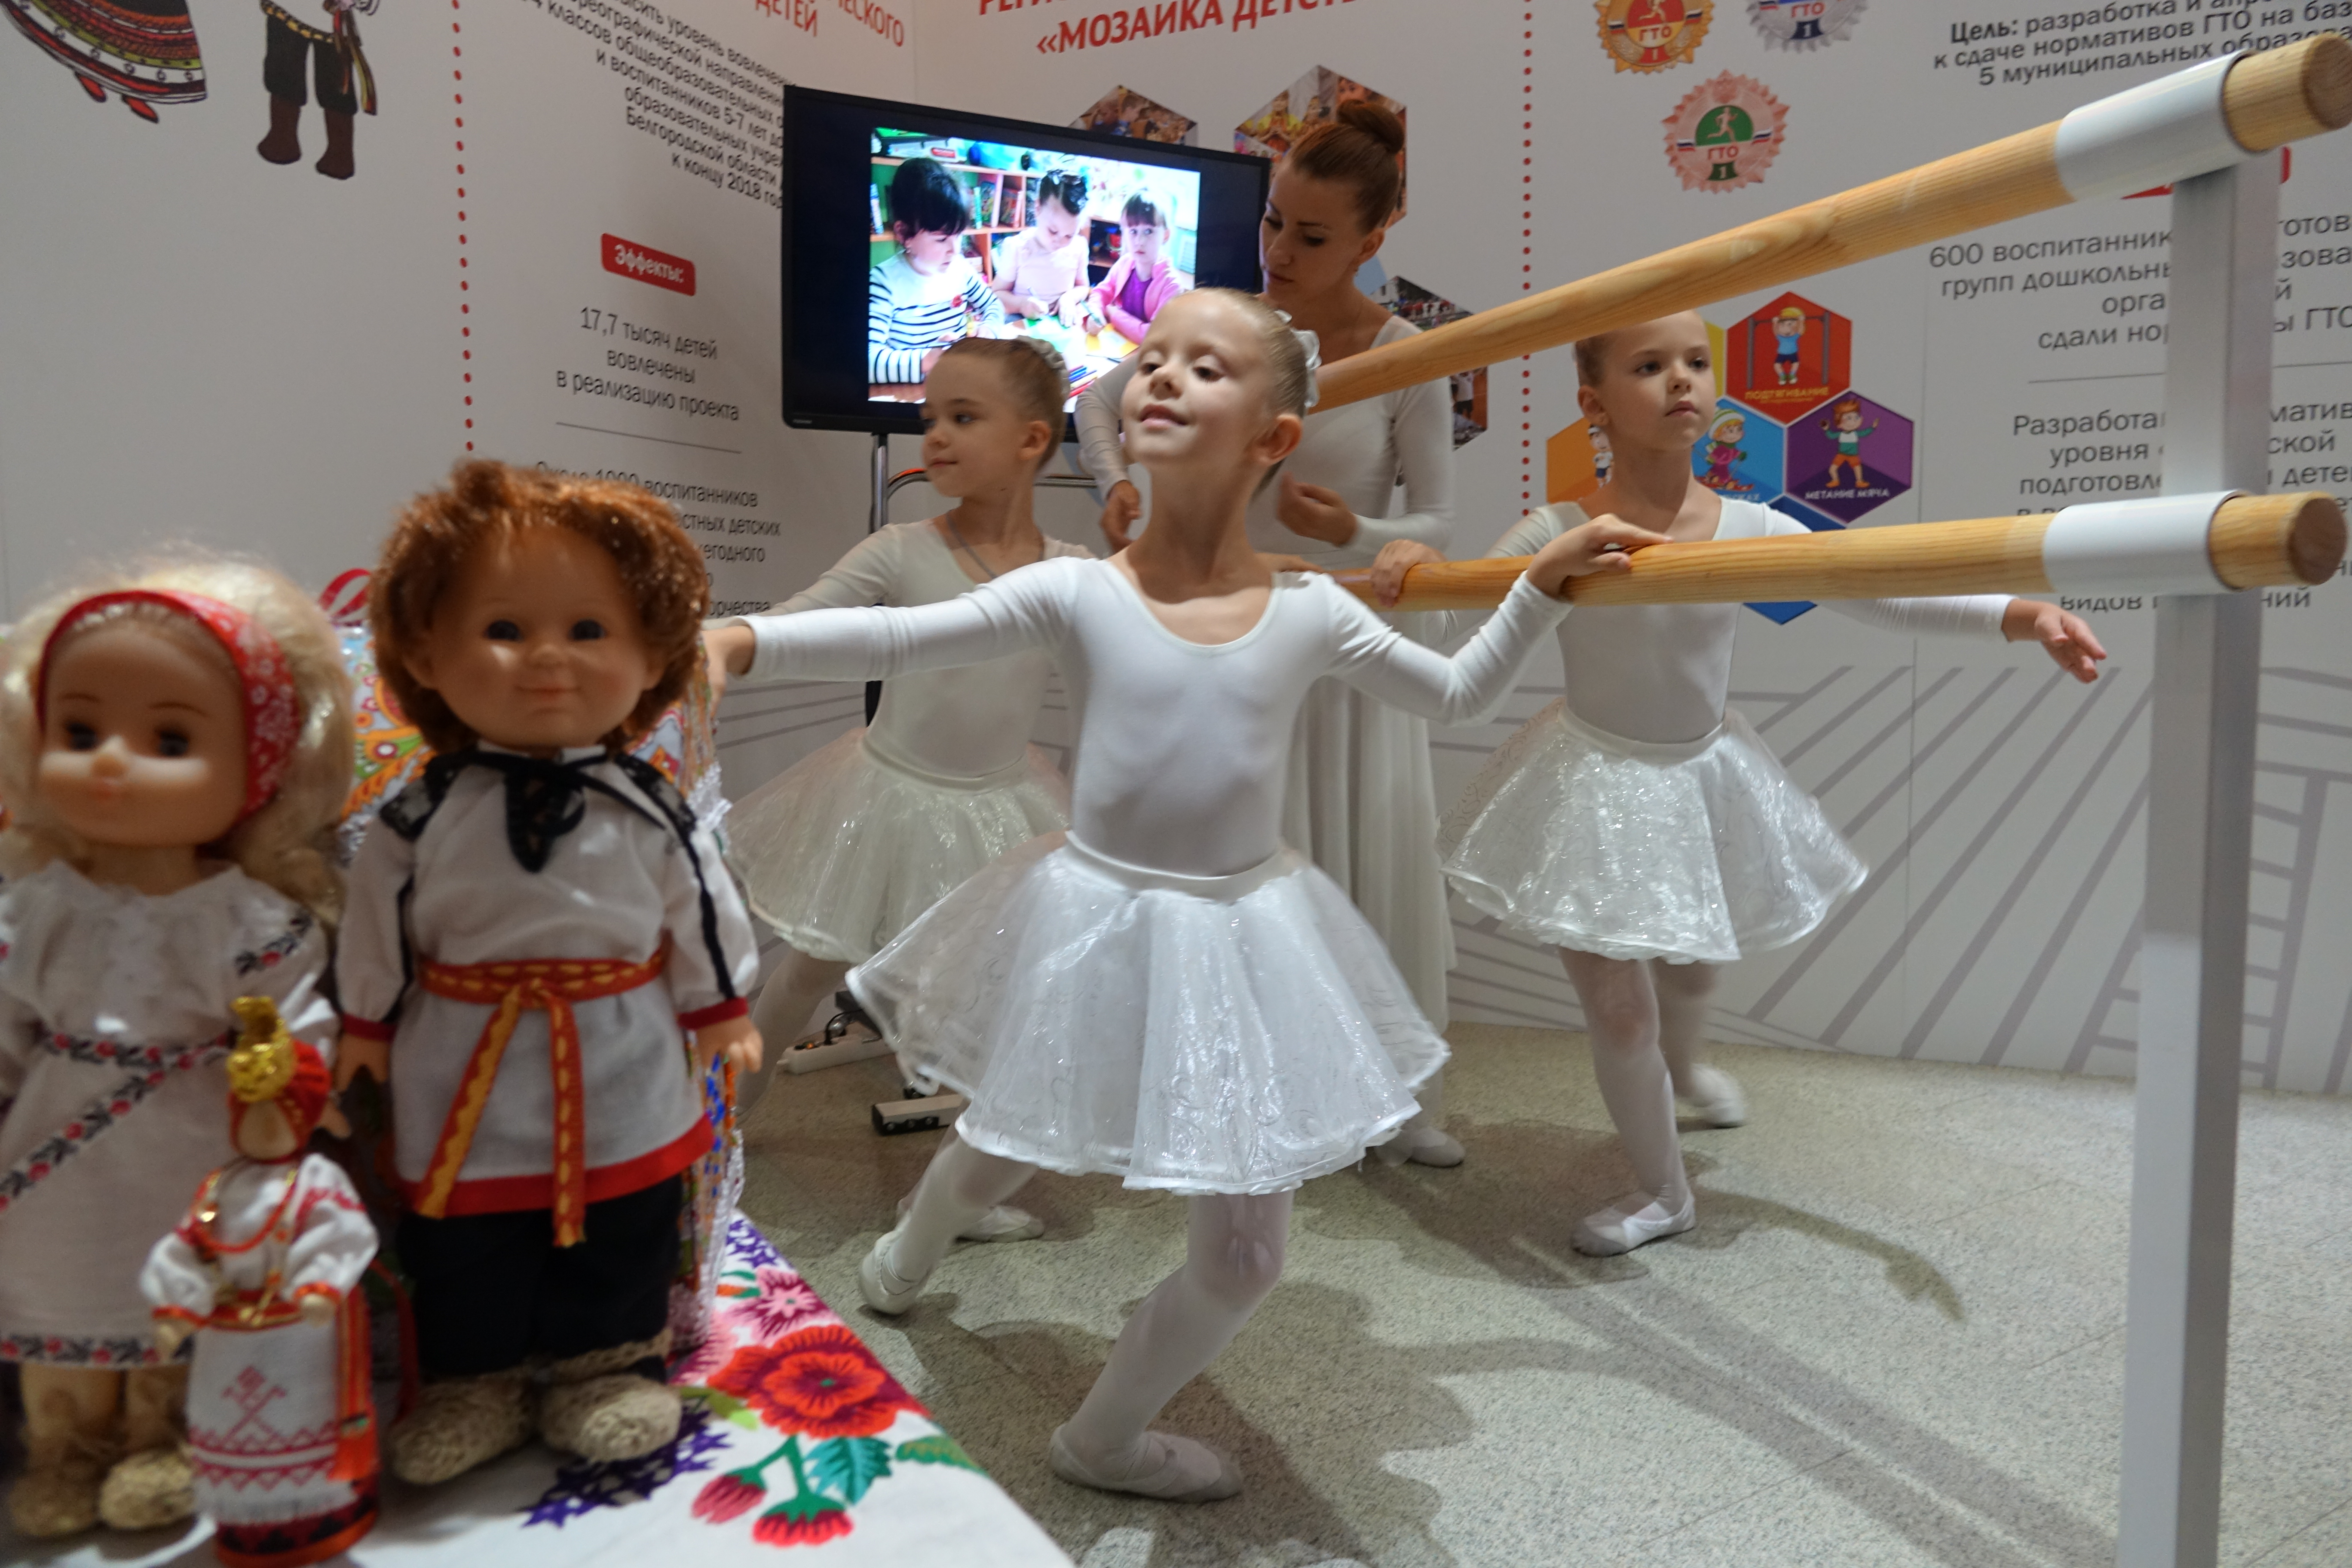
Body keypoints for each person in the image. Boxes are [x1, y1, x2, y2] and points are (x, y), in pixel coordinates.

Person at [704, 288, 1666, 1503]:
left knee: (1248, 1255)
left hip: (1246, 938)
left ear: (1274, 436)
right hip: (1090, 910)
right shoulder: (1077, 591)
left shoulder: (1310, 612)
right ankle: (908, 1251)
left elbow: (1458, 693)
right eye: (1153, 357)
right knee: (1015, 1125)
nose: (1161, 376)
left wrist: (1538, 582)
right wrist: (738, 641)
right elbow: (899, 638)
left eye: (1204, 368)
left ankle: (1101, 1437)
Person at [1371, 313, 2107, 1255]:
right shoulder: (1556, 530)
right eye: (1649, 365)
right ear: (1594, 403)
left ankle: (1682, 1071)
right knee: (1618, 1008)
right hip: (1592, 784)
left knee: (1692, 968)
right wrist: (1411, 566)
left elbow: (1873, 588)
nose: (1681, 379)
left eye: (1695, 361)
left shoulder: (1753, 525)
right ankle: (1663, 1191)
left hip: (1704, 773)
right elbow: (1457, 621)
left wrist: (2021, 615)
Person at [336, 462, 763, 1484]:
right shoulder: (420, 815)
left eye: (588, 630)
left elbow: (701, 907)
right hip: (460, 1057)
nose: (546, 659)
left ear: (652, 656)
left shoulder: (648, 807)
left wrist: (720, 1005)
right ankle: (473, 1381)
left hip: (621, 1051)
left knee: (623, 1222)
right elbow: (375, 924)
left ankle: (606, 1367)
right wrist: (365, 1025)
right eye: (502, 628)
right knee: (462, 1231)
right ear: (425, 652)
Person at [1077, 102, 1469, 1166]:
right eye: (1274, 223)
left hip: (1338, 644)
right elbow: (1099, 404)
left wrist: (1357, 532)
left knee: (1362, 852)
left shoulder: (1408, 356)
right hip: (1227, 645)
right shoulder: (1233, 330)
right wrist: (1116, 487)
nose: (1280, 250)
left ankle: (1398, 1096)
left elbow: (1439, 520)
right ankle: (1238, 1092)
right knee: (1232, 867)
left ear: (1374, 238)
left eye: (1312, 235)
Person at [0, 559, 351, 1538]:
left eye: (169, 740)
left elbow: (294, 1024)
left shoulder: (249, 920)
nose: (111, 762)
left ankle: (164, 1442)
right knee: (58, 1286)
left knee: (186, 1285)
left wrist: (286, 1088)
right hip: (59, 1144)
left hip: (193, 1140)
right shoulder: (35, 910)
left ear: (262, 769)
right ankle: (65, 1450)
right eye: (79, 733)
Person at [713, 338, 1090, 1245]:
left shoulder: (1075, 572)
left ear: (1033, 438)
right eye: (929, 418)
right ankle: (720, 1127)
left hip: (1001, 810)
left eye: (963, 417)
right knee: (809, 966)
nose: (936, 436)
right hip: (884, 795)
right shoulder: (902, 548)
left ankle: (948, 1197)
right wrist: (711, 646)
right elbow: (797, 624)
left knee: (996, 1003)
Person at [869, 158, 1005, 385]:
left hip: (958, 383)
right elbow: (868, 360)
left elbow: (994, 306)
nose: (955, 250)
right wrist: (927, 361)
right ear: (904, 234)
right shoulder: (884, 283)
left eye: (959, 235)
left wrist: (988, 332)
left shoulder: (960, 268)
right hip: (912, 393)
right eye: (942, 240)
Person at [992, 171, 1092, 325]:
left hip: (1060, 324)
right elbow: (997, 295)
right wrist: (1022, 305)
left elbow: (1083, 287)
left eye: (1069, 236)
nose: (1059, 242)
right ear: (1038, 208)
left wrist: (1069, 298)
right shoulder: (1018, 247)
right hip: (1023, 322)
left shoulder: (1079, 247)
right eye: (1053, 231)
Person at [1087, 193, 1182, 344]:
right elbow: (1101, 292)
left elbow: (1153, 336)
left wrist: (1114, 314)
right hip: (1119, 345)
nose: (1140, 241)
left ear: (1165, 236)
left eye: (1149, 231)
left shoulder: (1172, 285)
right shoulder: (1125, 263)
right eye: (1133, 231)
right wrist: (1095, 313)